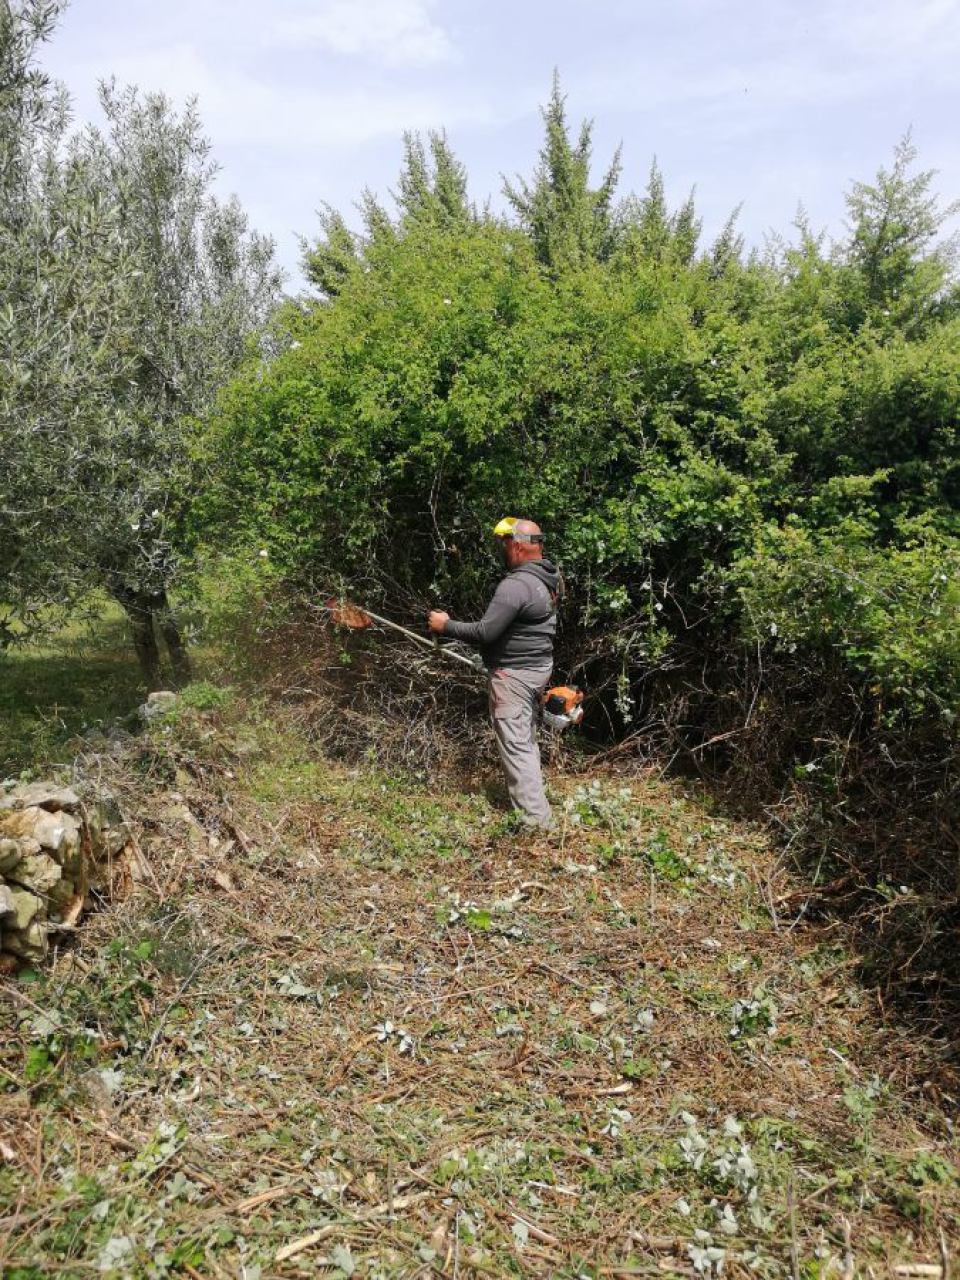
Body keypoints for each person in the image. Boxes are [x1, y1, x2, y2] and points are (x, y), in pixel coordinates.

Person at [427, 517, 560, 828]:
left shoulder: (516, 585)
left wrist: (445, 625)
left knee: (516, 745)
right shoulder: (549, 577)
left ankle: (536, 824)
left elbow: (485, 632)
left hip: (515, 675)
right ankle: (536, 808)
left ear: (517, 545)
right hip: (537, 668)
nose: (503, 549)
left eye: (505, 543)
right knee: (524, 739)